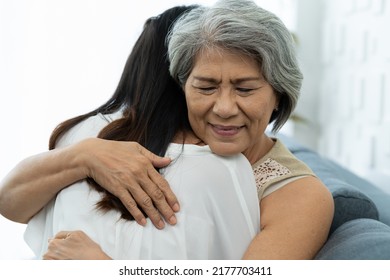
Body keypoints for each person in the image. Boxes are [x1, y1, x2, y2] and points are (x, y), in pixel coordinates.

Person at [0, 0, 334, 259]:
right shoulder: (160, 148)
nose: (224, 107)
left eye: (245, 89)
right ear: (182, 88)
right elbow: (10, 202)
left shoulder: (299, 196)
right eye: (206, 87)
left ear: (279, 94)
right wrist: (84, 156)